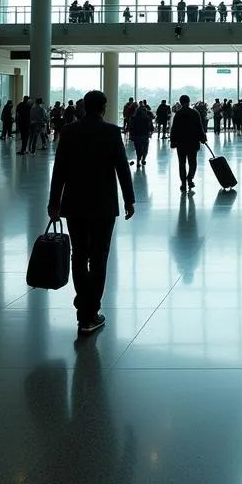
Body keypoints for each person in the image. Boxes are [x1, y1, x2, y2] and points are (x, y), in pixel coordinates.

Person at [47, 90, 134, 337]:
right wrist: (129, 199)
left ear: (84, 106)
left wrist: (54, 202)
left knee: (79, 254)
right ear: (104, 107)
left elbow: (59, 170)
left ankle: (83, 306)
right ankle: (89, 312)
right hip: (103, 205)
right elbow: (122, 168)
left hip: (74, 203)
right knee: (99, 257)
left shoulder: (69, 132)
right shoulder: (111, 132)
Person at [170, 94, 207, 192]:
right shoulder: (194, 113)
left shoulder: (178, 114)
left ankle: (183, 183)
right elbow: (200, 127)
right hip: (193, 142)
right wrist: (202, 137)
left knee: (182, 163)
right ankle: (190, 178)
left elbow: (174, 129)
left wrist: (173, 141)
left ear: (181, 102)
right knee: (193, 162)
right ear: (189, 101)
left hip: (181, 142)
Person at [131, 99, 152, 168]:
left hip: (137, 136)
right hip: (145, 135)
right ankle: (143, 159)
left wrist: (132, 135)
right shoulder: (147, 118)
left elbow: (132, 127)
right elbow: (151, 127)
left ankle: (138, 162)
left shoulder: (134, 118)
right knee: (145, 149)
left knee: (138, 150)